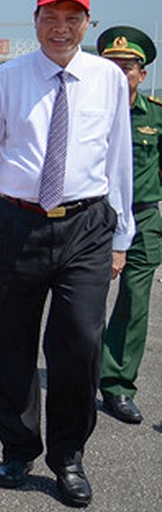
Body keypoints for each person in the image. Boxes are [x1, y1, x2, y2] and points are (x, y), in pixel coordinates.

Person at [0, 0, 133, 508]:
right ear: (35, 20)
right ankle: (17, 445)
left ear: (87, 24)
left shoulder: (107, 79)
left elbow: (118, 159)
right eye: (51, 18)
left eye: (72, 19)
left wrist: (122, 235)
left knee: (79, 342)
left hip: (86, 224)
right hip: (17, 222)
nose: (61, 28)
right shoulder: (8, 78)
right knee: (10, 341)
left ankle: (69, 456)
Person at [97, 26, 161, 425]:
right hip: (97, 215)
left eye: (128, 67)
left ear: (142, 72)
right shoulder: (90, 110)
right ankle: (83, 369)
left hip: (143, 215)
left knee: (135, 301)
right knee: (85, 302)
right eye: (112, 66)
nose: (121, 74)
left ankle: (118, 383)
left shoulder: (155, 115)